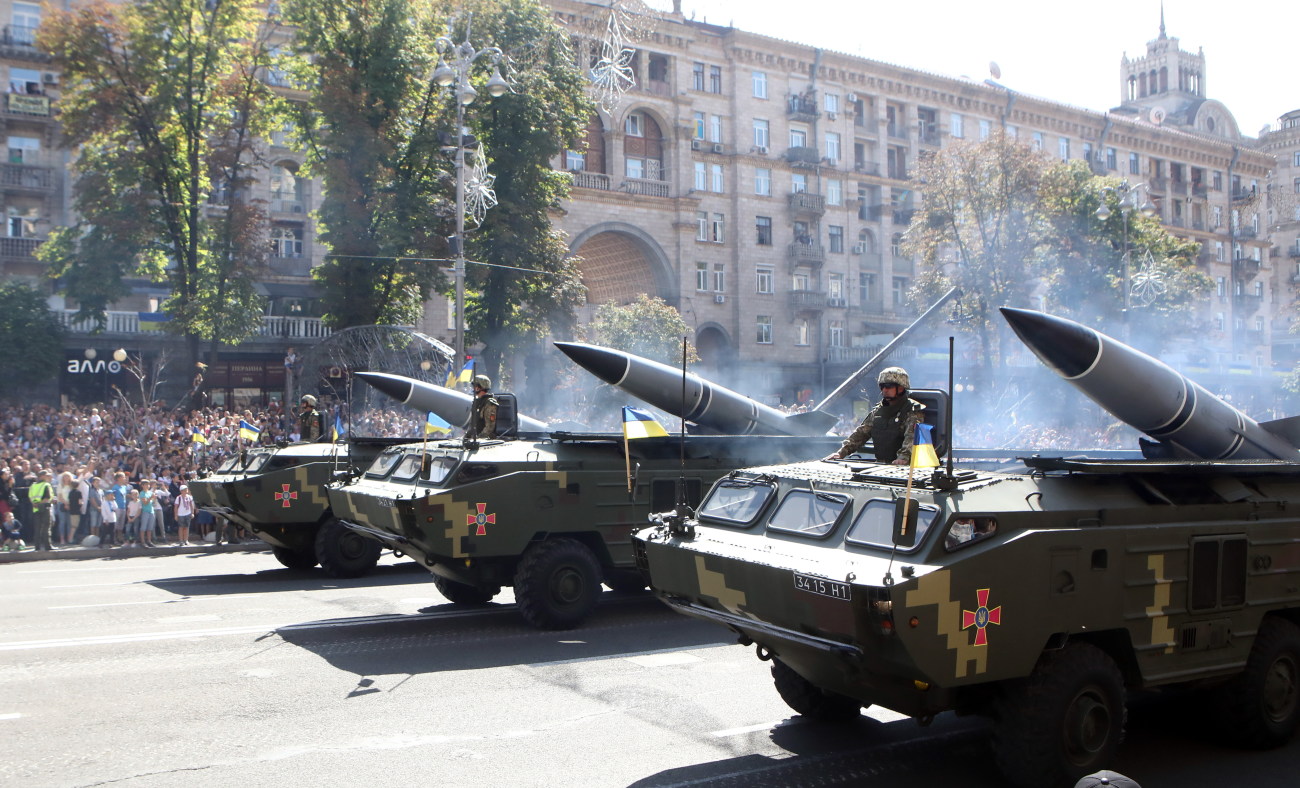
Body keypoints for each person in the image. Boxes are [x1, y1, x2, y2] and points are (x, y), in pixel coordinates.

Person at [823, 367, 924, 465]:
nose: (884, 390)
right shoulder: (879, 411)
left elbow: (912, 437)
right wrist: (841, 452)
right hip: (881, 465)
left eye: (888, 386)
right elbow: (861, 433)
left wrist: (903, 458)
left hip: (906, 469)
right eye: (882, 386)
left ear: (901, 388)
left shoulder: (912, 411)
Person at [27, 469, 55, 551]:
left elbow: (30, 497)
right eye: (47, 475)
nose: (48, 477)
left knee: (37, 528)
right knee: (46, 527)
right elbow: (47, 497)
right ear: (42, 476)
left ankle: (37, 546)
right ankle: (47, 546)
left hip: (35, 508)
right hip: (45, 508)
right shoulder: (46, 485)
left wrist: (35, 504)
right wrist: (42, 503)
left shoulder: (33, 485)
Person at [468, 375, 498, 441]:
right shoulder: (477, 402)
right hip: (476, 439)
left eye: (474, 386)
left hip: (486, 441)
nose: (473, 389)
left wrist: (479, 438)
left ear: (479, 387)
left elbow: (489, 427)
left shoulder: (489, 404)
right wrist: (467, 436)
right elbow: (473, 423)